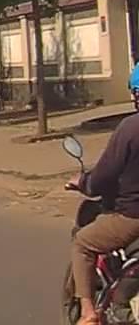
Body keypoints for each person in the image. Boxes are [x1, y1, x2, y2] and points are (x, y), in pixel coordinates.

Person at [67, 113, 139, 325]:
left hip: (131, 217)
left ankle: (88, 313)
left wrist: (83, 182)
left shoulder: (131, 128)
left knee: (82, 243)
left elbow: (104, 176)